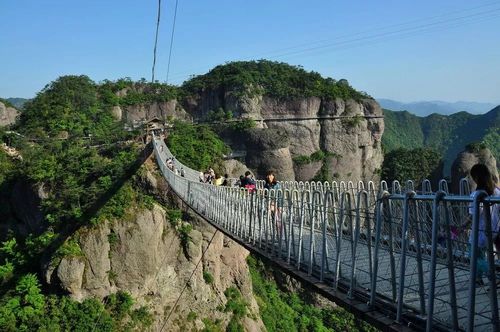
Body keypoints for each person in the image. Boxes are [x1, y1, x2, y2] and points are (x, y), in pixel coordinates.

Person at [467, 164, 500, 285]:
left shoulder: (476, 195)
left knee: (473, 254)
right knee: (480, 254)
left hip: (480, 230)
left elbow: (473, 215)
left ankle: (494, 275)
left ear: (476, 177)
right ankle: (477, 279)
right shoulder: (496, 191)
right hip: (494, 229)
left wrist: (462, 225)